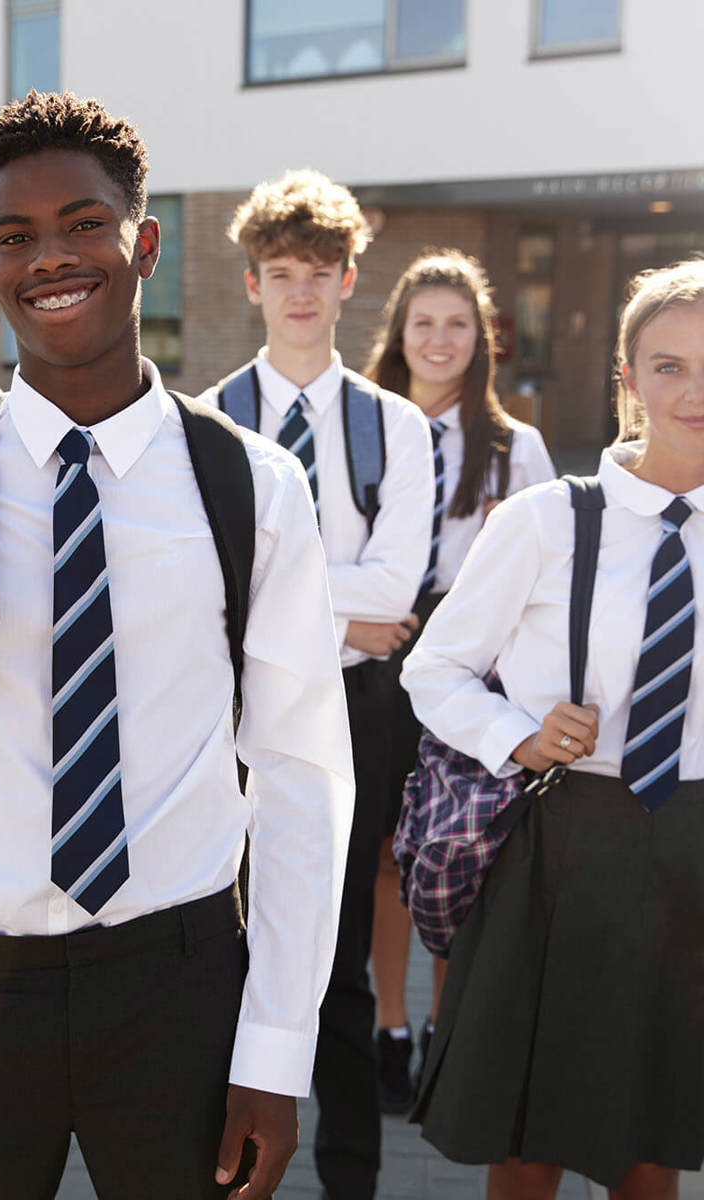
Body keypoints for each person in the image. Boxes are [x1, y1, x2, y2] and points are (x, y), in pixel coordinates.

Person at [0, 91, 355, 1200]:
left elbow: (303, 778)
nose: (52, 258)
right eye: (16, 237)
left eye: (84, 223)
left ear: (144, 245)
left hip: (176, 988)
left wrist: (273, 1053)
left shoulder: (250, 485)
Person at [401, 258, 704, 1199]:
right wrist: (519, 735)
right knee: (525, 1143)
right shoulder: (548, 521)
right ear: (627, 379)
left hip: (694, 853)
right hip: (559, 849)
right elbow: (434, 668)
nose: (694, 391)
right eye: (669, 366)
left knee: (651, 1148)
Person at [200, 169, 435, 1199]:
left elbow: (399, 581)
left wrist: (286, 589)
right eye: (280, 273)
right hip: (230, 707)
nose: (300, 292)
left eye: (319, 273)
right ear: (252, 283)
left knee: (337, 965)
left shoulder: (398, 425)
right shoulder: (203, 422)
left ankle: (352, 1178)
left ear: (349, 282)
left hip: (357, 711)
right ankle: (214, 1161)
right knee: (221, 946)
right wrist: (342, 606)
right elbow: (209, 586)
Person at [361, 249, 555, 1112]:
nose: (440, 340)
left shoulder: (517, 449)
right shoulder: (362, 425)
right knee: (382, 856)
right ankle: (388, 1029)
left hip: (475, 664)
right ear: (399, 335)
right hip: (378, 650)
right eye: (424, 323)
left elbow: (548, 575)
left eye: (458, 325)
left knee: (454, 850)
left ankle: (444, 1024)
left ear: (483, 340)